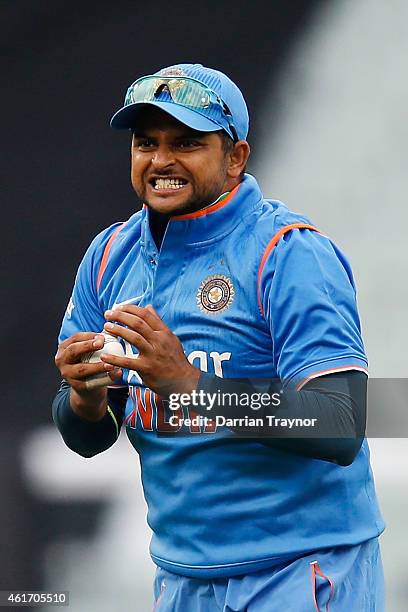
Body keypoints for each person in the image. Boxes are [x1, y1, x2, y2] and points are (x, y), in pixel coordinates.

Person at [53, 63, 385, 611]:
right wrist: (86, 400)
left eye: (186, 142)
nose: (161, 161)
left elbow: (341, 422)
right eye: (146, 143)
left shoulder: (289, 253)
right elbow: (87, 435)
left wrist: (189, 384)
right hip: (185, 577)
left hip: (300, 569)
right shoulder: (109, 256)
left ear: (235, 158)